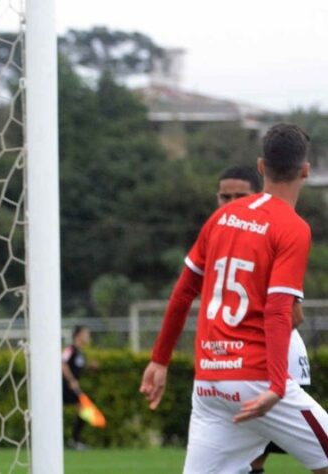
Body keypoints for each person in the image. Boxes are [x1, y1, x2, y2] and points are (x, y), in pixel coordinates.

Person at [140, 124, 328, 474]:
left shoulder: (221, 217)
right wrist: (275, 385)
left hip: (210, 381)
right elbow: (278, 311)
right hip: (255, 378)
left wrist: (159, 360)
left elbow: (183, 292)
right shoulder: (292, 227)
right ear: (305, 170)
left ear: (260, 167)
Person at [218, 165, 313, 473]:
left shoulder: (271, 234)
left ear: (257, 196)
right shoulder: (219, 238)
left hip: (272, 365)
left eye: (240, 195)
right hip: (236, 365)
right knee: (247, 459)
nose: (231, 202)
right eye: (224, 196)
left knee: (258, 454)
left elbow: (291, 314)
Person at [62, 325, 92, 450]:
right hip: (65, 385)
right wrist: (71, 380)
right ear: (78, 335)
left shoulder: (80, 352)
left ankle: (74, 440)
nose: (88, 336)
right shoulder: (70, 349)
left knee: (84, 409)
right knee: (84, 408)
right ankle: (74, 440)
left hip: (71, 386)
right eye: (86, 334)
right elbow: (62, 362)